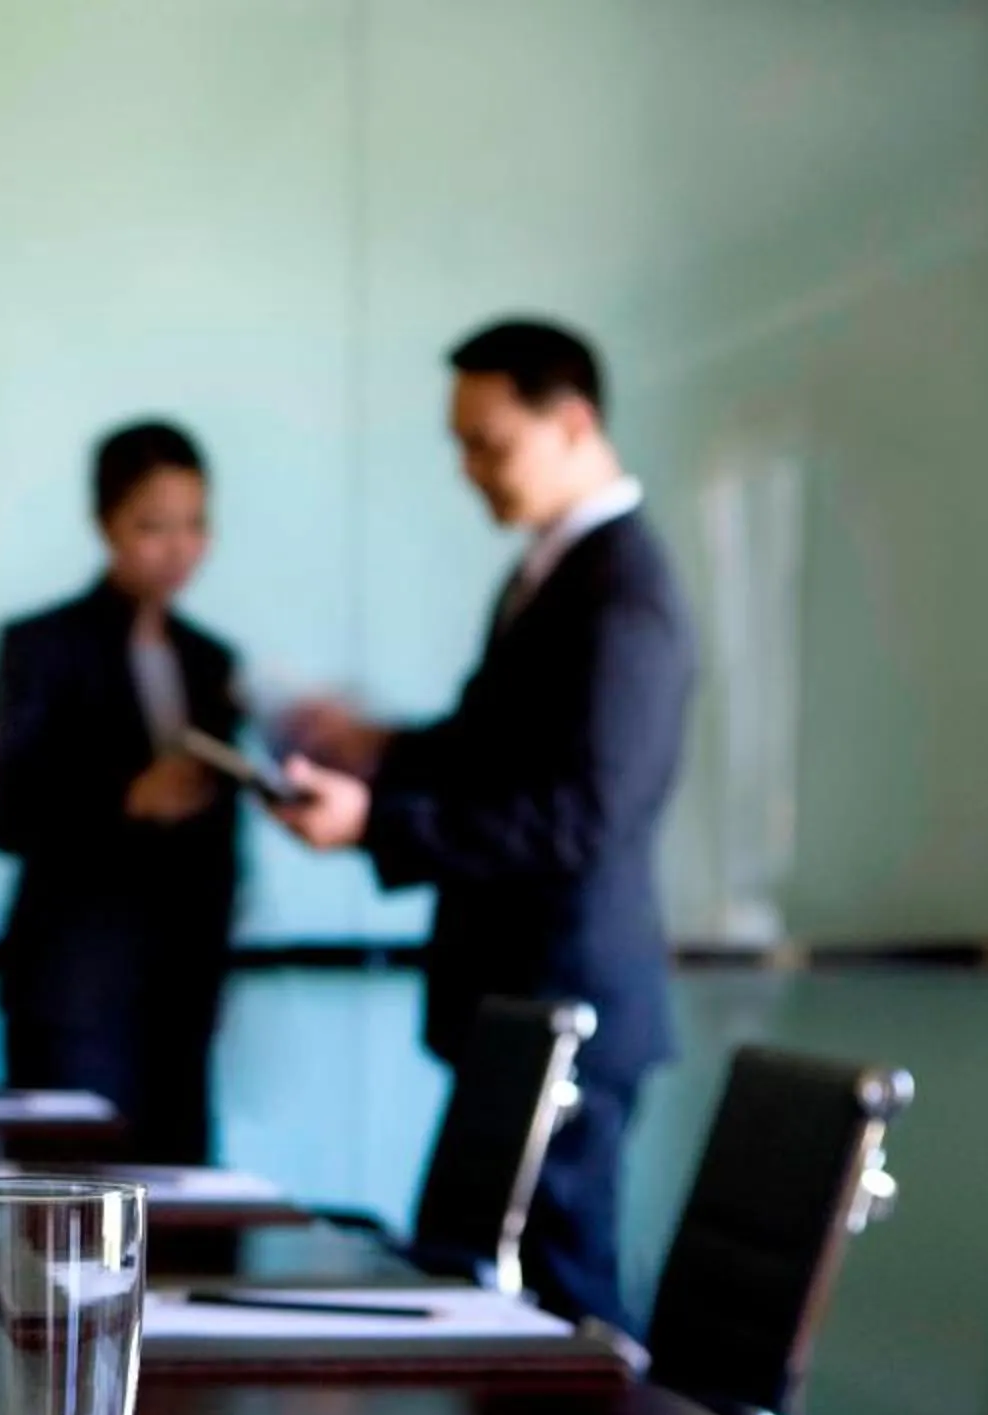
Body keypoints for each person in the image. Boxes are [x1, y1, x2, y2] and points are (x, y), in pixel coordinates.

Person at [270, 319, 694, 1334]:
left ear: (574, 422)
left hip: (569, 1010)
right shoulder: (549, 571)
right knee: (497, 1296)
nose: (469, 470)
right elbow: (493, 749)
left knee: (559, 1309)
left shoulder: (621, 590)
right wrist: (373, 746)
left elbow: (582, 816)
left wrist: (377, 823)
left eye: (488, 443)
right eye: (459, 444)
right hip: (522, 1011)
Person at [0, 420, 244, 1164]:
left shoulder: (212, 661)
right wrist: (127, 798)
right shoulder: (40, 646)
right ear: (106, 525)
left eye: (196, 525)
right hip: (73, 992)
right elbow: (7, 814)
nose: (179, 548)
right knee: (63, 1211)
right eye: (152, 526)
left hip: (185, 987)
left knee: (187, 1213)